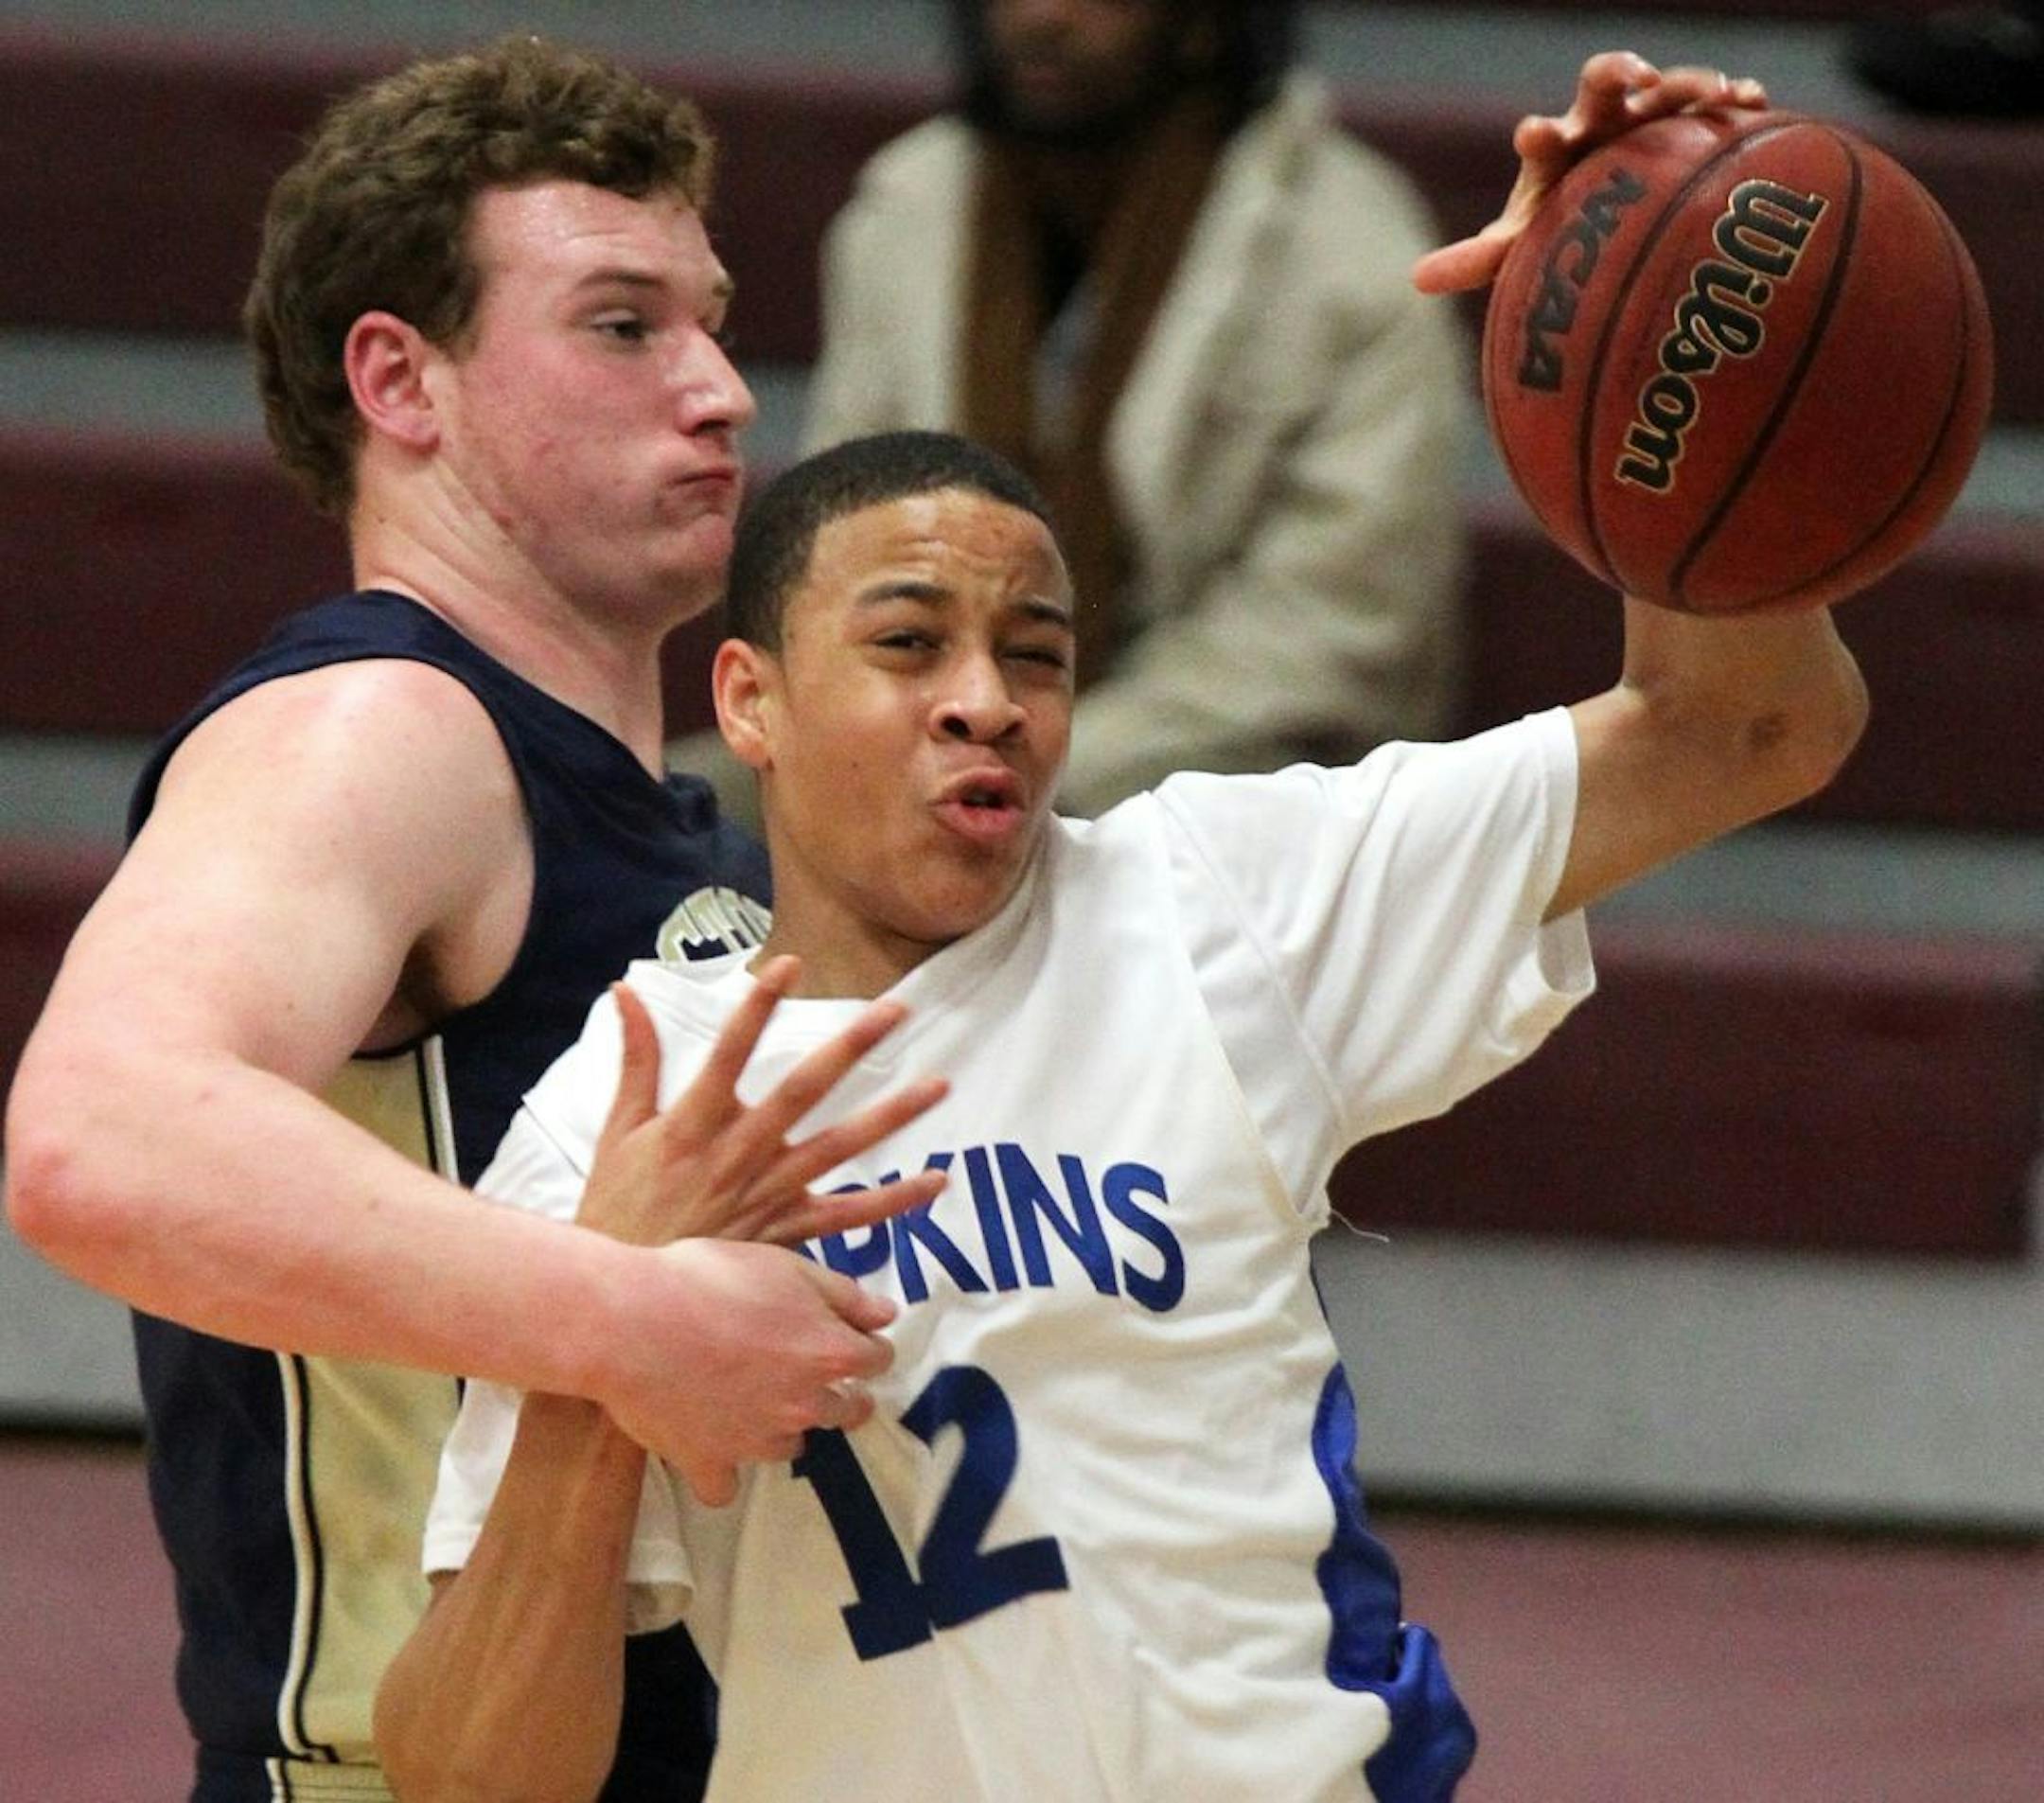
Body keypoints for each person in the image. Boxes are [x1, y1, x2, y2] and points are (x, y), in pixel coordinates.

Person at [372, 57, 1870, 1802]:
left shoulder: (1218, 894)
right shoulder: (629, 1108)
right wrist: (594, 1334)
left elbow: (1750, 729)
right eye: (912, 642)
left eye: (1038, 652)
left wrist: (1653, 332)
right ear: (750, 701)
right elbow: (470, 1779)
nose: (986, 702)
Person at [1, 37, 947, 1803]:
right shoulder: (378, 729)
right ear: (403, 382)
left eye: (715, 319)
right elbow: (95, 1139)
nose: (725, 387)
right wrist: (621, 1320)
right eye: (623, 325)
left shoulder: (681, 828)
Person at [672, 0, 1469, 824]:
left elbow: (1336, 630)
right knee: (668, 807)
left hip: (1232, 780)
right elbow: (839, 543)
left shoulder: (1353, 245)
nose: (1040, 16)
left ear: (1203, 20)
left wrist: (1037, 754)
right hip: (922, 736)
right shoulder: (908, 205)